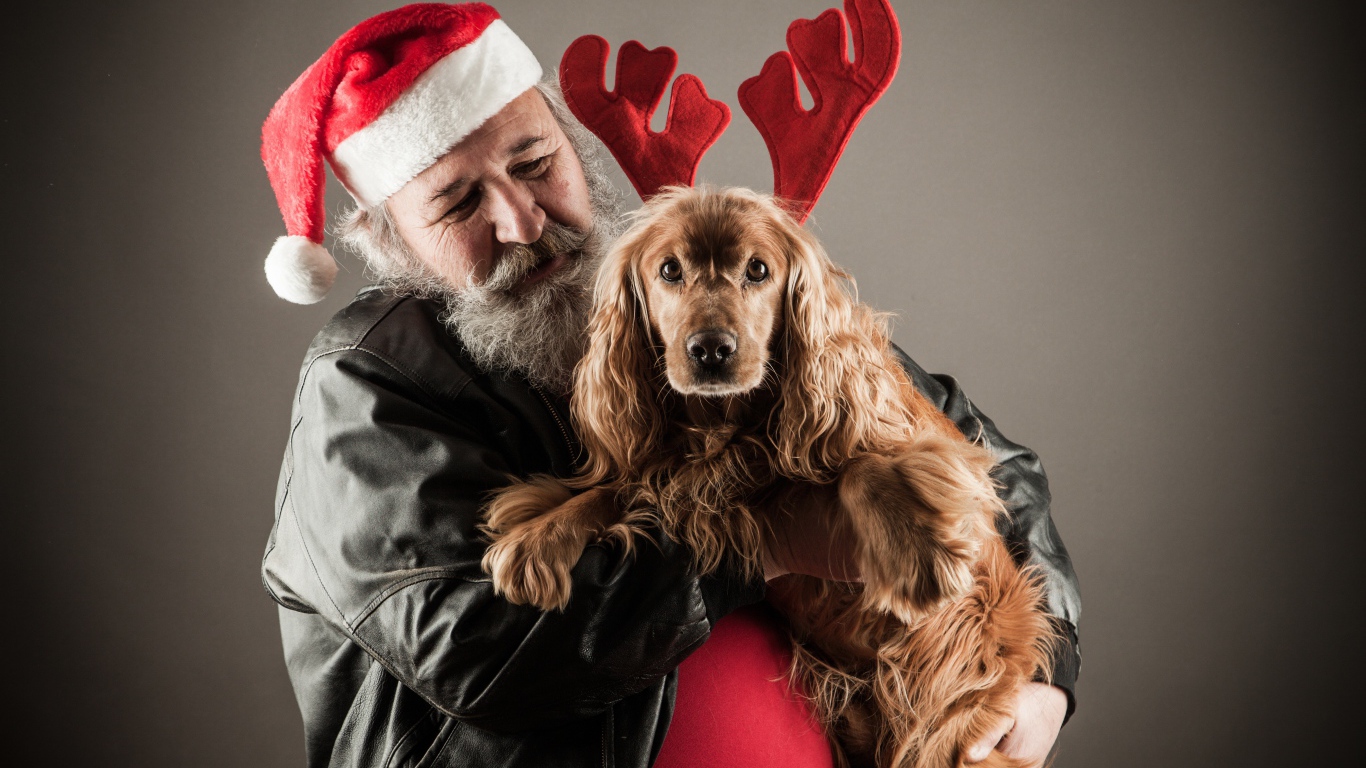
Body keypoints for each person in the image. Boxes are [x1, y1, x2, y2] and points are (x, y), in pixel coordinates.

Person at [258, 4, 1081, 767]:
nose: (522, 221)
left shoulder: (660, 281)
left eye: (535, 163)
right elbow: (476, 653)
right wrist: (762, 540)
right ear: (391, 241)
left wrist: (1048, 672)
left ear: (575, 152)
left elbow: (980, 453)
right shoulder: (364, 383)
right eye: (458, 202)